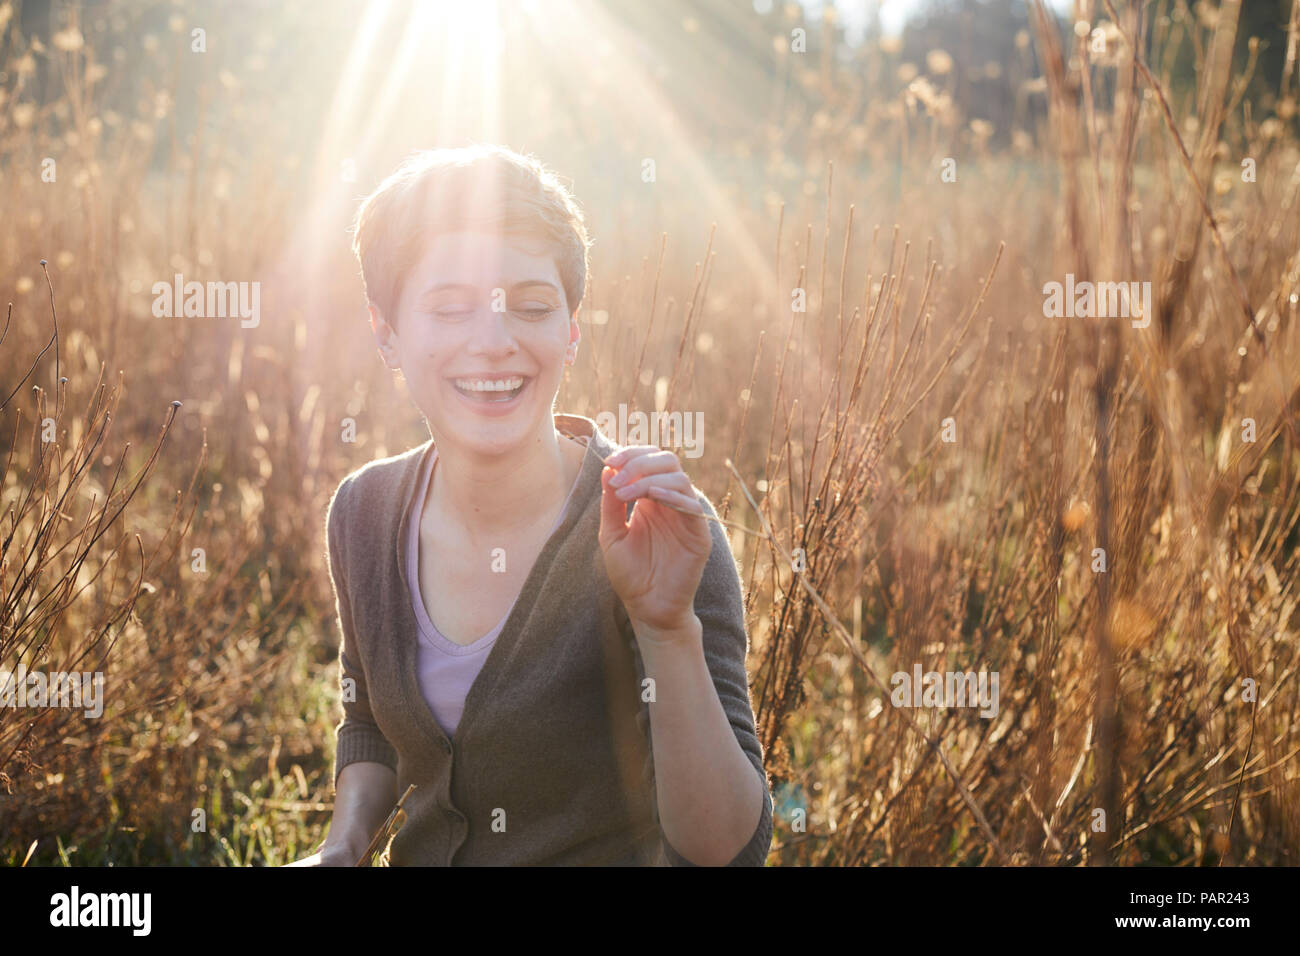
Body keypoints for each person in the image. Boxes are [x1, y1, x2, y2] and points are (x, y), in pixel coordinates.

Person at [287, 144, 772, 866]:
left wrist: (667, 628)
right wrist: (343, 844)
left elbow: (725, 848)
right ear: (386, 333)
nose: (494, 342)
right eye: (450, 308)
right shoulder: (363, 511)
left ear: (570, 332)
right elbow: (370, 722)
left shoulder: (657, 525)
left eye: (533, 306)